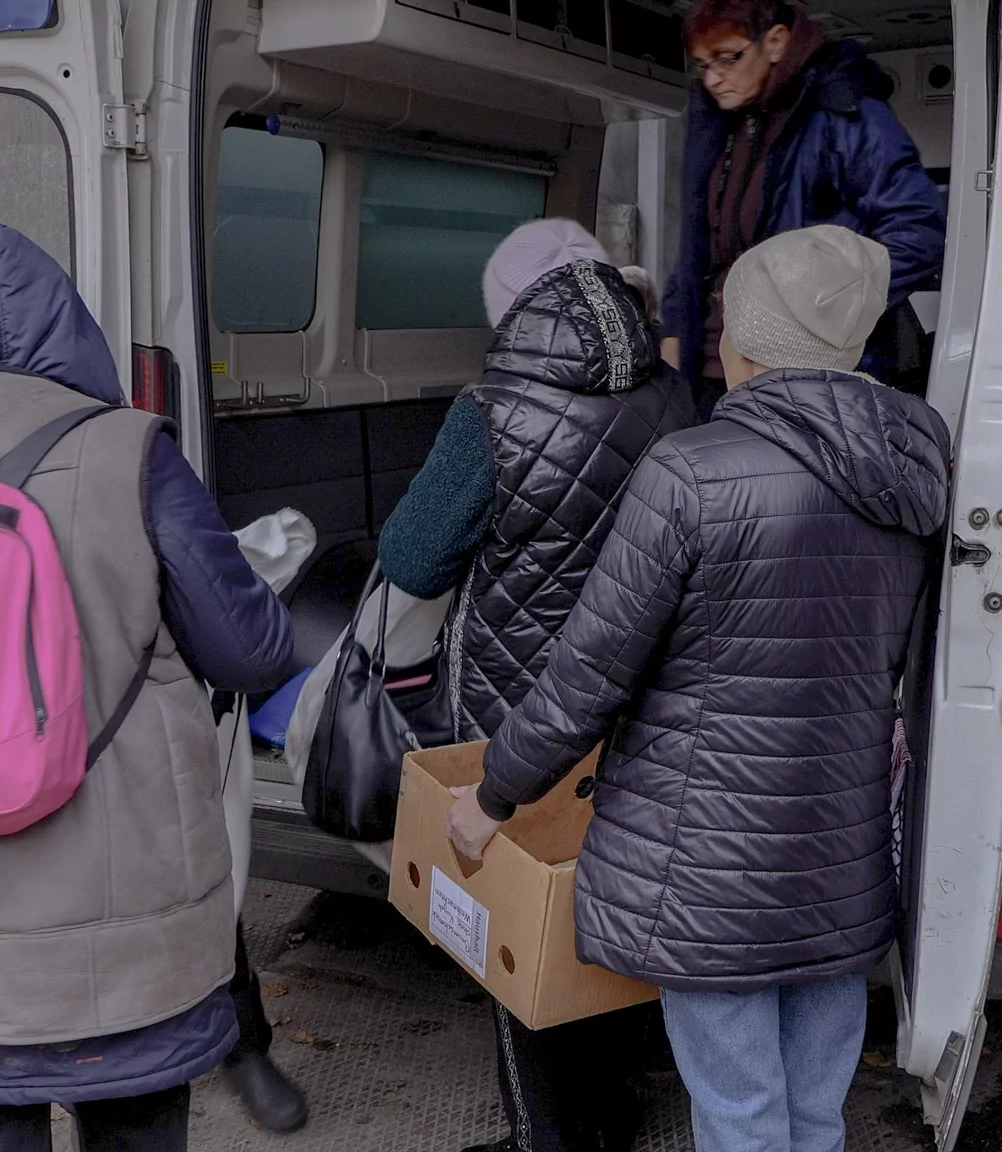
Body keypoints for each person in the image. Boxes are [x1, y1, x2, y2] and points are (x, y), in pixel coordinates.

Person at [448, 225, 950, 1152]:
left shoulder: (691, 473)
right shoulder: (917, 470)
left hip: (704, 873)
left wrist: (492, 794)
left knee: (739, 1115)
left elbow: (587, 674)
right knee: (811, 1116)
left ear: (750, 345)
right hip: (840, 867)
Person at [0, 222, 297, 1152]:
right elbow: (247, 651)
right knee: (133, 1116)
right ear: (65, 322)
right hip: (120, 933)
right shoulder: (131, 453)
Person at [378, 218, 695, 1152]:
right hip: (650, 703)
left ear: (512, 314)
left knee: (516, 917)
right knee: (620, 901)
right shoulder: (676, 395)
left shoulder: (490, 410)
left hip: (522, 708)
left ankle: (549, 1139)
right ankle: (613, 1111)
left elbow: (412, 554)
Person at [662, 0, 947, 419]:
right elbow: (697, 250)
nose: (714, 78)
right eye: (703, 65)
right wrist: (673, 332)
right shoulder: (720, 128)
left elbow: (919, 230)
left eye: (728, 58)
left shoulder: (843, 112)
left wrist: (824, 311)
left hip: (806, 373)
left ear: (774, 42)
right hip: (717, 367)